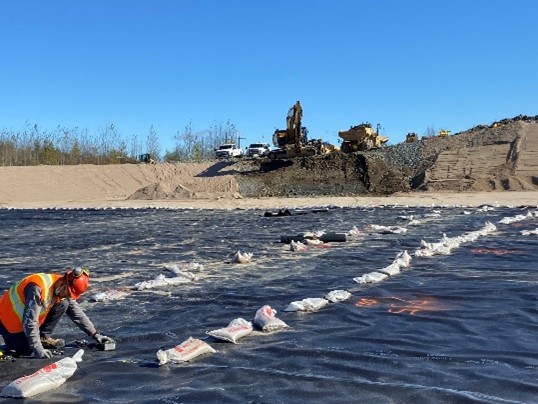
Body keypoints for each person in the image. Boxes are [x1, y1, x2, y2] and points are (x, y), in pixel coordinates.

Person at [0, 267, 115, 358]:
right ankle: (14, 341)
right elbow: (30, 321)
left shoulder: (61, 288)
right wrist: (37, 348)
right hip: (8, 324)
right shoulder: (38, 287)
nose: (68, 296)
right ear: (64, 283)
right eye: (68, 293)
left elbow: (77, 313)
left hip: (24, 322)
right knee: (29, 351)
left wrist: (95, 335)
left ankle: (43, 338)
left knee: (64, 303)